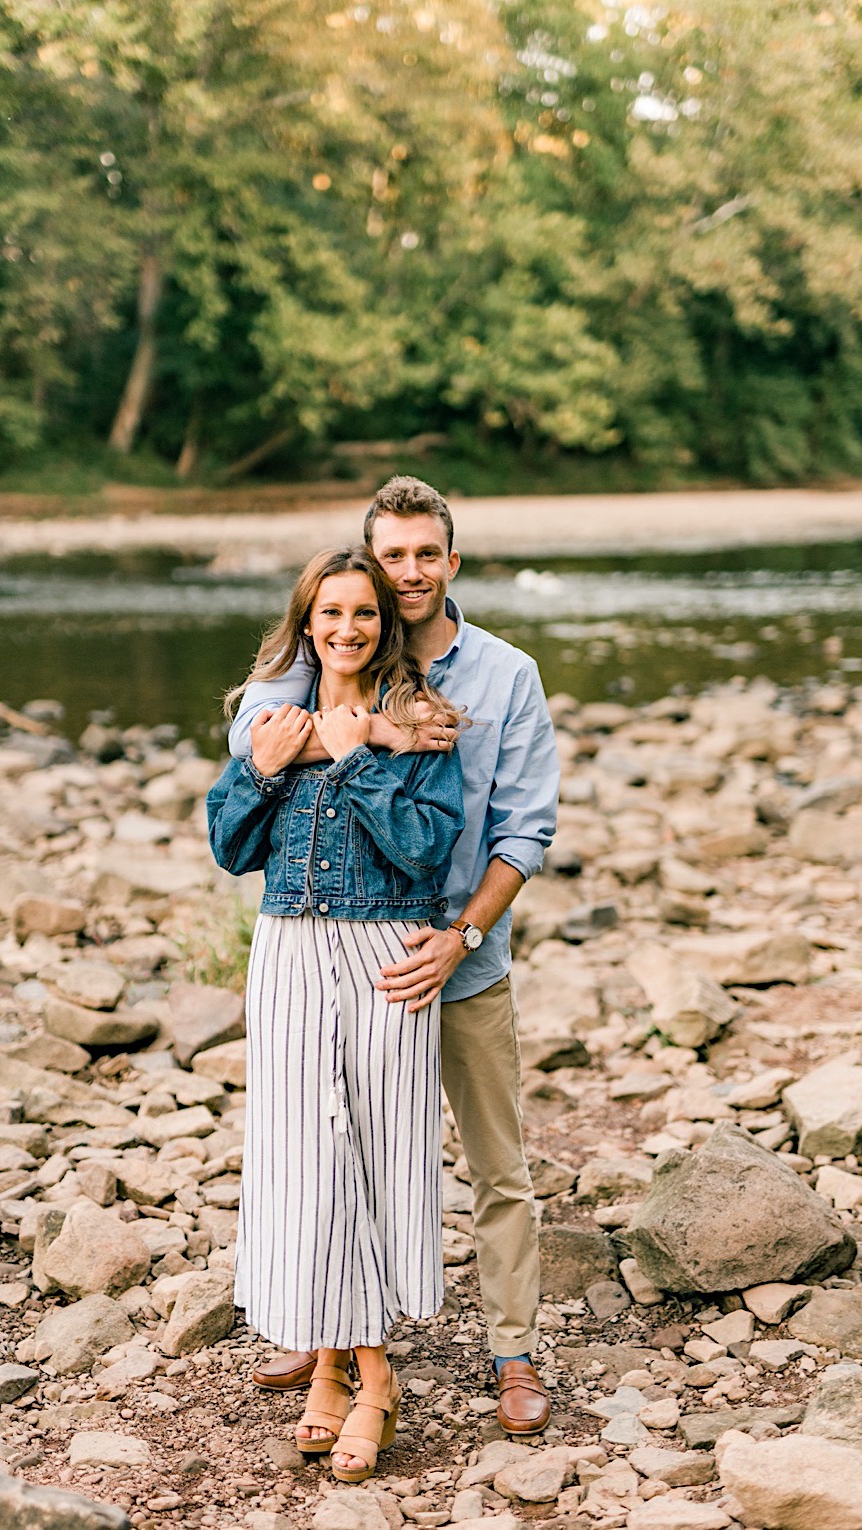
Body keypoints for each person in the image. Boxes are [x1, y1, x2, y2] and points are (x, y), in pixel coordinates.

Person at [229, 477, 562, 1436]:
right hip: (355, 955)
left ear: (452, 563)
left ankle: (513, 1354)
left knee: (496, 1166)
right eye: (394, 557)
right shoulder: (338, 647)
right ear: (372, 564)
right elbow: (251, 728)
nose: (410, 573)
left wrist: (460, 939)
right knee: (337, 1144)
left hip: (462, 953)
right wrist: (374, 727)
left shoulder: (505, 676)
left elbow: (523, 832)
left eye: (427, 555)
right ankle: (329, 1341)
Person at [205, 546, 465, 1482]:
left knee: (374, 1154)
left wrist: (358, 758)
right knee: (304, 1156)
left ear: (383, 623)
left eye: (363, 613)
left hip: (383, 950)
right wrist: (268, 771)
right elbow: (231, 848)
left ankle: (366, 1375)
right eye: (330, 613)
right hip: (286, 952)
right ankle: (337, 1364)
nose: (347, 628)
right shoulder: (268, 722)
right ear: (305, 622)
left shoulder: (422, 722)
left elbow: (425, 852)